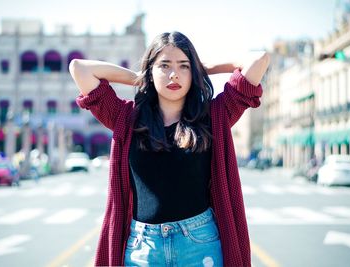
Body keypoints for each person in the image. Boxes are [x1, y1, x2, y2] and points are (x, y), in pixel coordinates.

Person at [70, 31, 270, 267]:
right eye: (164, 65)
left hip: (200, 243)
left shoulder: (215, 115)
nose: (174, 74)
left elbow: (259, 59)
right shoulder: (126, 118)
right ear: (151, 70)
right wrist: (140, 77)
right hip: (143, 249)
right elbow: (79, 68)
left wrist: (199, 67)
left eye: (183, 66)